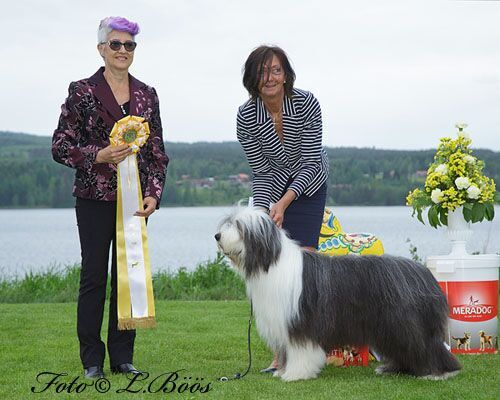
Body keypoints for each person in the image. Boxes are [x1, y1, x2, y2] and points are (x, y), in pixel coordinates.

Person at [52, 16, 168, 379]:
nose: (122, 51)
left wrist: (153, 194)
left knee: (129, 277)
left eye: (129, 45)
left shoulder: (148, 94)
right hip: (93, 198)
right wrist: (96, 155)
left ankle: (122, 358)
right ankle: (91, 361)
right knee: (94, 278)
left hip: (135, 203)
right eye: (115, 44)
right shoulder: (81, 91)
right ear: (102, 48)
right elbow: (60, 145)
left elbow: (157, 153)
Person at [237, 45, 329, 372]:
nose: (270, 77)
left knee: (302, 269)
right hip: (272, 186)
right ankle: (280, 353)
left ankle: (303, 345)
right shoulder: (246, 116)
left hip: (309, 184)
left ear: (286, 74)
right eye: (263, 72)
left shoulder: (307, 103)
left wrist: (287, 201)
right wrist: (264, 213)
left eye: (276, 70)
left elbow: (309, 160)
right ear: (253, 78)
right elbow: (261, 170)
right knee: (271, 273)